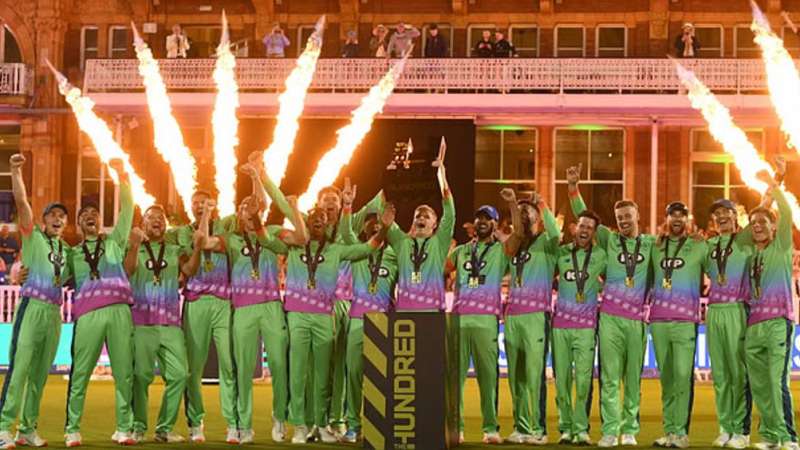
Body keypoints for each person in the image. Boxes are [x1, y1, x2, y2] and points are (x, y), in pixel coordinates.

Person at [206, 159, 307, 444]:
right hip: (243, 309)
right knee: (243, 369)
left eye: (252, 206)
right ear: (237, 215)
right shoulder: (230, 238)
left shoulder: (272, 231)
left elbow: (301, 237)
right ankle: (244, 425)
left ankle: (279, 416)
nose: (247, 210)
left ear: (259, 210)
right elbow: (204, 243)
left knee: (279, 365)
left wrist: (256, 178)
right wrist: (206, 218)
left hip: (272, 305)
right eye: (242, 208)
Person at [281, 201, 393, 444]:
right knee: (299, 374)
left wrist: (384, 229)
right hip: (298, 314)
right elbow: (281, 215)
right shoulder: (293, 243)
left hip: (325, 315)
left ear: (328, 225)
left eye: (322, 218)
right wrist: (267, 184)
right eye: (313, 216)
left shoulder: (336, 250)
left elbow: (368, 247)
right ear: (306, 222)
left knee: (324, 376)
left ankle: (322, 425)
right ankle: (300, 426)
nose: (318, 220)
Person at [567, 163, 654, 447]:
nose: (624, 221)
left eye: (628, 216)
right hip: (610, 319)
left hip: (637, 319)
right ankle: (609, 430)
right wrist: (573, 187)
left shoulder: (652, 244)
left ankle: (629, 430)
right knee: (609, 377)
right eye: (620, 217)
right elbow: (584, 217)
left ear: (638, 216)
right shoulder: (609, 239)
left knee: (633, 379)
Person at [63, 159, 136, 447]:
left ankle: (124, 428)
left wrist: (123, 175)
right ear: (79, 224)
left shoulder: (115, 241)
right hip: (88, 316)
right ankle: (72, 429)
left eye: (94, 213)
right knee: (80, 372)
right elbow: (56, 277)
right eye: (84, 215)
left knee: (124, 372)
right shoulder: (72, 253)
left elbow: (128, 209)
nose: (90, 216)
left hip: (119, 311)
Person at [0, 154, 70, 449]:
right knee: (19, 369)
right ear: (43, 220)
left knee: (40, 375)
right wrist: (15, 171)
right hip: (31, 307)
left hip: (54, 314)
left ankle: (27, 429)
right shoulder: (33, 237)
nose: (58, 219)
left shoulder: (67, 250)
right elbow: (22, 202)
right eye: (53, 215)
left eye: (62, 216)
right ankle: (3, 427)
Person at [125, 204, 207, 443]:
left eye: (161, 218)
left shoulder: (174, 250)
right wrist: (135, 246)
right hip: (142, 322)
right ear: (143, 223)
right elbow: (127, 271)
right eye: (151, 217)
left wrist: (198, 248)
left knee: (180, 375)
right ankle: (138, 426)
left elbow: (189, 269)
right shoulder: (135, 247)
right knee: (140, 376)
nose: (157, 220)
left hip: (171, 323)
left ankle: (164, 428)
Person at [166, 190, 237, 444]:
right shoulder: (181, 233)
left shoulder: (226, 226)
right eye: (195, 203)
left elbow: (256, 209)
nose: (199, 207)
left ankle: (233, 423)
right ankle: (195, 423)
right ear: (189, 206)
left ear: (215, 205)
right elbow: (172, 245)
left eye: (205, 203)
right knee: (193, 368)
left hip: (222, 301)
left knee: (228, 365)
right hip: (196, 301)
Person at [743, 172, 798, 450]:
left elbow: (786, 211)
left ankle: (789, 437)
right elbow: (741, 235)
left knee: (777, 382)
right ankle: (770, 435)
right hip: (753, 325)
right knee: (760, 385)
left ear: (774, 227)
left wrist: (773, 184)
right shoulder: (748, 253)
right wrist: (760, 207)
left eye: (763, 222)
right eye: (753, 223)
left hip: (778, 322)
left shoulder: (782, 245)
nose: (757, 226)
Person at [447, 203, 510, 445]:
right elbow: (441, 267)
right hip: (459, 319)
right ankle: (456, 428)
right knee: (455, 380)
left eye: (487, 218)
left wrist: (501, 233)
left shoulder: (501, 251)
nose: (482, 222)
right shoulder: (461, 251)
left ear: (495, 223)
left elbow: (515, 243)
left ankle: (490, 428)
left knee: (488, 378)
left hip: (486, 320)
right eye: (479, 218)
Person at [501, 188, 560, 445]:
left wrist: (543, 205)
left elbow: (556, 233)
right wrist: (514, 205)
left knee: (535, 374)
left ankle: (538, 429)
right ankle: (521, 427)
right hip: (513, 315)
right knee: (516, 376)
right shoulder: (514, 245)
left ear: (538, 217)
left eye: (529, 211)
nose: (525, 214)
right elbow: (513, 237)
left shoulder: (547, 243)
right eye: (521, 212)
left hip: (537, 315)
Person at [649, 201, 708, 449]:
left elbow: (720, 266)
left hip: (685, 321)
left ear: (687, 220)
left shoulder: (699, 245)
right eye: (672, 215)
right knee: (667, 379)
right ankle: (669, 431)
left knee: (683, 377)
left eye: (681, 216)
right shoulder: (655, 246)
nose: (676, 219)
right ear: (666, 219)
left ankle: (681, 433)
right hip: (659, 321)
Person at [340, 209, 398, 443]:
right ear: (363, 228)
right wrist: (347, 206)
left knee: (381, 378)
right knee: (354, 374)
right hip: (357, 318)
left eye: (379, 222)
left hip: (383, 320)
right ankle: (353, 426)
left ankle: (380, 426)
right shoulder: (358, 251)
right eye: (370, 222)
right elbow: (345, 231)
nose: (374, 224)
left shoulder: (395, 253)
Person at [552, 210, 606, 446]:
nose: (584, 230)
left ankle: (581, 428)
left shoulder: (601, 256)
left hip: (586, 327)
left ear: (594, 233)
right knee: (561, 381)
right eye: (582, 226)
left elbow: (616, 278)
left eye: (589, 228)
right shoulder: (561, 253)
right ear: (575, 227)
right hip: (561, 325)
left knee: (583, 381)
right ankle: (565, 427)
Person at [704, 198, 753, 449]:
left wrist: (773, 185)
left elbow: (763, 214)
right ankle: (725, 427)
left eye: (726, 212)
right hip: (714, 311)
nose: (721, 216)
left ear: (735, 215)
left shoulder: (745, 240)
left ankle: (741, 431)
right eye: (717, 213)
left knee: (738, 373)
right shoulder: (709, 245)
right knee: (720, 375)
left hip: (736, 309)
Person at [385, 140, 454, 311]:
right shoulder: (402, 242)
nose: (421, 218)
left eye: (426, 216)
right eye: (417, 216)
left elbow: (450, 213)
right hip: (405, 313)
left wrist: (442, 178)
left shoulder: (440, 242)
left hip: (432, 312)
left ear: (435, 224)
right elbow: (384, 213)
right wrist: (389, 175)